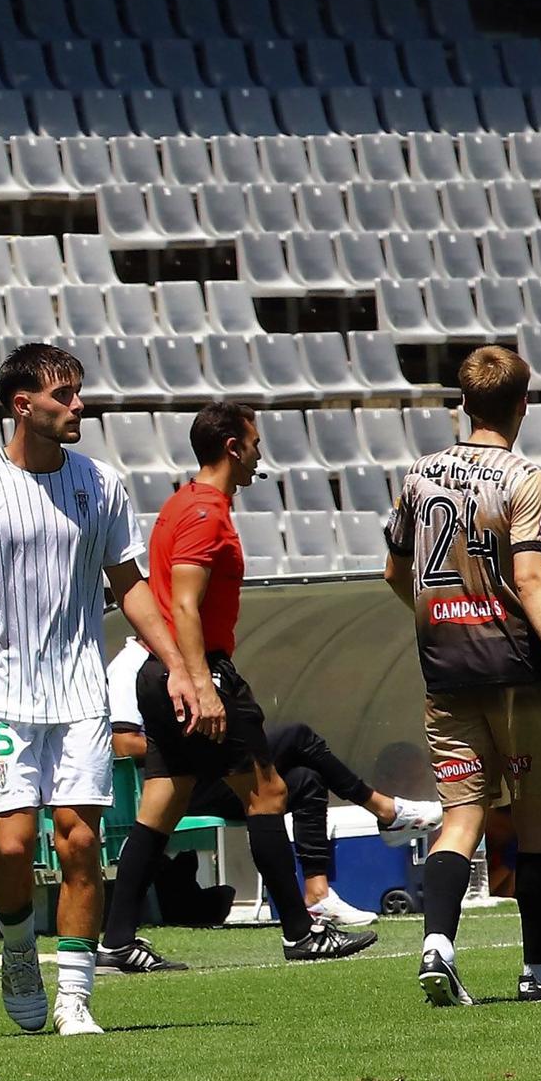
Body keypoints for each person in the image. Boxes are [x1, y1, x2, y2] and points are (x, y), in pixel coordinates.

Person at [0, 342, 209, 1037]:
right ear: (23, 405)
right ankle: (20, 952)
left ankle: (75, 995)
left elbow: (129, 584)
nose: (79, 406)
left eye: (78, 392)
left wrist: (176, 663)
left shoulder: (100, 484)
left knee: (80, 843)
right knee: (15, 845)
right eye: (64, 396)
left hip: (79, 691)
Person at [111, 402, 379, 970]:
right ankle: (300, 932)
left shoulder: (181, 503)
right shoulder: (206, 512)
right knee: (269, 793)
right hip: (195, 668)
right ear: (233, 447)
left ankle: (115, 937)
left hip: (158, 671)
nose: (260, 454)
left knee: (165, 799)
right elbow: (184, 605)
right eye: (255, 443)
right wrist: (203, 684)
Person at [383, 346, 541, 1006]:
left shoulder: (420, 474)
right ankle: (538, 972)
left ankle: (437, 947)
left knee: (460, 817)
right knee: (538, 819)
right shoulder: (523, 478)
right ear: (522, 405)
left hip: (445, 671)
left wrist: (443, 619)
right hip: (514, 671)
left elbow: (395, 572)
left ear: (464, 403)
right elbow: (529, 575)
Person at [103, 637, 441, 950]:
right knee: (298, 736)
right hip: (190, 782)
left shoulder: (180, 655)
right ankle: (383, 809)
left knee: (306, 779)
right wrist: (190, 745)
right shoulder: (131, 666)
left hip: (213, 768)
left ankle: (317, 894)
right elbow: (123, 742)